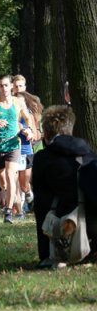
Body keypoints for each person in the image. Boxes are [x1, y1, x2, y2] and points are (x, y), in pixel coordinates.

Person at [32, 105, 97, 267]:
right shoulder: (88, 153)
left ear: (45, 133)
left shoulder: (43, 158)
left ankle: (52, 255)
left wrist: (45, 255)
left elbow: (41, 203)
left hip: (65, 231)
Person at [0, 74, 34, 224]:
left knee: (10, 176)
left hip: (13, 144)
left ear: (11, 86)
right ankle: (11, 203)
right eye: (1, 86)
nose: (4, 88)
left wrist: (29, 130)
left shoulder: (18, 102)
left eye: (6, 85)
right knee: (3, 182)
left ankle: (8, 212)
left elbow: (28, 118)